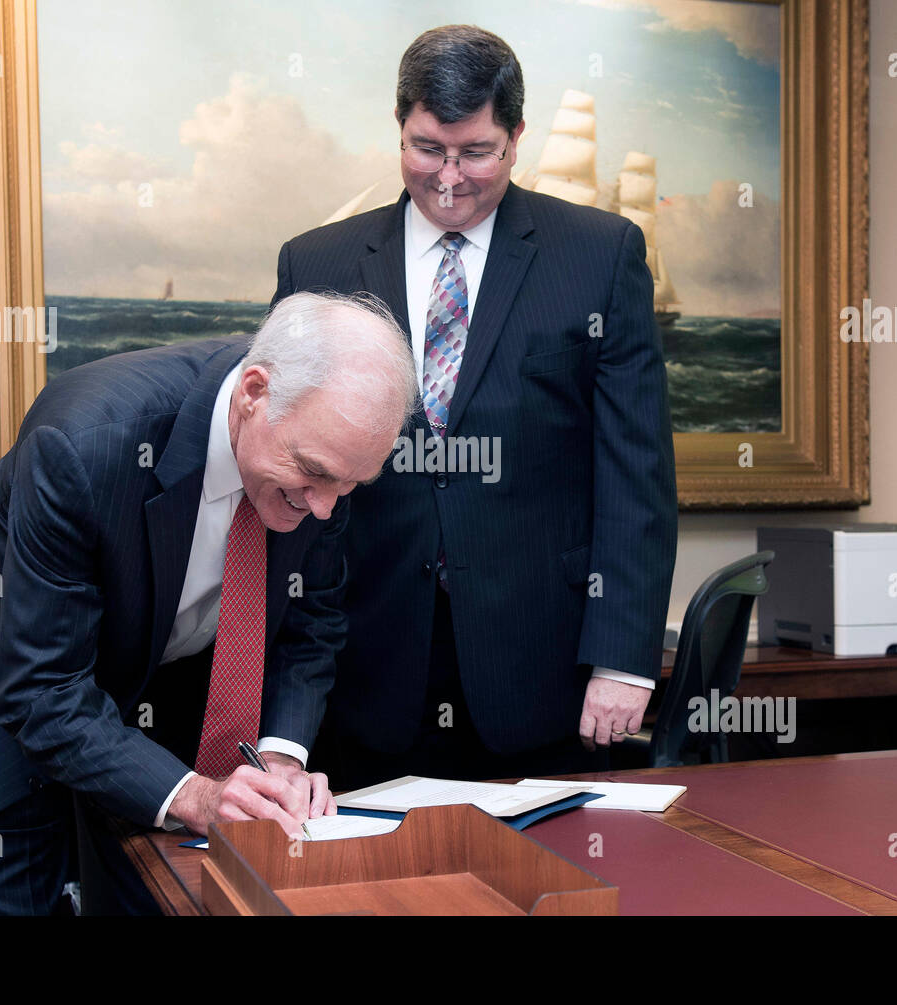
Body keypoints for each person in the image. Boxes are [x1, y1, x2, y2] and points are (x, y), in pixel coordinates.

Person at [0, 291, 418, 914]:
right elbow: (44, 693)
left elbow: (308, 626)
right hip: (3, 681)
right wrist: (199, 798)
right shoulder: (86, 440)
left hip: (146, 681)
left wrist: (281, 760)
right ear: (253, 394)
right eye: (312, 475)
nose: (324, 509)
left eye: (350, 486)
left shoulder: (326, 459)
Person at [274, 25, 677, 790]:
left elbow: (637, 471)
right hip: (365, 669)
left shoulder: (600, 256)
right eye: (428, 149)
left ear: (517, 137)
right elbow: (287, 477)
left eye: (476, 152)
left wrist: (624, 658)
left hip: (540, 669)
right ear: (401, 128)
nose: (450, 178)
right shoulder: (316, 263)